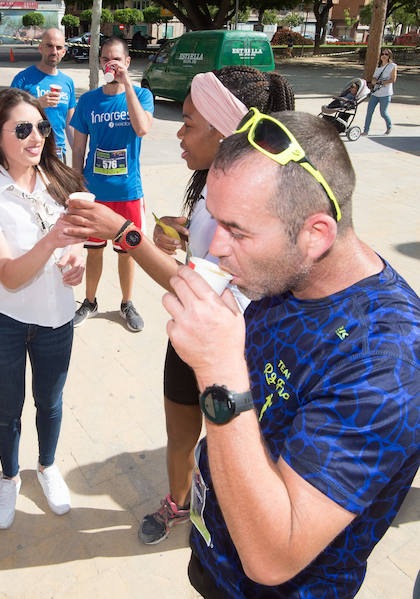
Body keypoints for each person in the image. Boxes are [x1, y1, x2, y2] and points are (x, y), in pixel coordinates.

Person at [164, 110, 419, 597]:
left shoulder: (389, 360)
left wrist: (217, 368)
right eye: (213, 218)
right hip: (214, 555)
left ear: (315, 234)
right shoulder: (279, 275)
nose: (215, 247)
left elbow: (272, 557)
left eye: (237, 230)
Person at [65, 65, 296, 545]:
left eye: (189, 121)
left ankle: (230, 516)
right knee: (180, 433)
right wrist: (184, 234)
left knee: (233, 444)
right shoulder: (215, 181)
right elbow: (205, 266)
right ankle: (178, 502)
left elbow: (201, 290)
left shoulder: (255, 198)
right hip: (189, 335)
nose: (179, 130)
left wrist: (124, 235)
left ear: (223, 131)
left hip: (235, 349)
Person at [0, 88, 87, 529]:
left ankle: (47, 467)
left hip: (56, 319)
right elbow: (10, 274)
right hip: (3, 323)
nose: (36, 137)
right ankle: (10, 476)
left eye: (41, 127)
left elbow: (77, 245)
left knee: (49, 403)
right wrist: (53, 239)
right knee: (7, 409)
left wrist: (77, 261)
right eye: (22, 129)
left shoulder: (63, 182)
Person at [69, 37, 154, 331]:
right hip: (95, 192)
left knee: (128, 249)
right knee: (93, 249)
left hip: (128, 191)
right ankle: (89, 302)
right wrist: (76, 186)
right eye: (106, 59)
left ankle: (127, 303)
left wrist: (127, 83)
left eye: (116, 59)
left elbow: (142, 128)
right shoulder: (89, 101)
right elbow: (78, 148)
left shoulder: (142, 95)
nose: (111, 64)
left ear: (127, 62)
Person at [10, 28, 76, 163]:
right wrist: (36, 104)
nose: (54, 51)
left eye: (59, 48)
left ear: (63, 52)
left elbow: (70, 124)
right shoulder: (23, 79)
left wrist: (78, 153)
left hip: (57, 153)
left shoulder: (67, 83)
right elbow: (8, 114)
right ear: (40, 48)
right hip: (29, 151)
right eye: (49, 46)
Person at [363, 48, 397, 135]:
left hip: (385, 94)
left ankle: (389, 126)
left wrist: (381, 82)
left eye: (386, 54)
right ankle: (366, 131)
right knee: (369, 112)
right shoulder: (378, 67)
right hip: (375, 93)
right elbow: (374, 77)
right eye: (382, 54)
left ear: (389, 56)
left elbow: (393, 79)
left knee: (383, 113)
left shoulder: (392, 66)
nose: (384, 56)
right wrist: (374, 80)